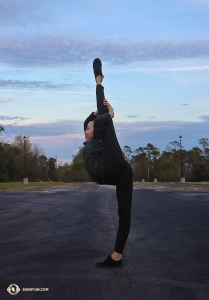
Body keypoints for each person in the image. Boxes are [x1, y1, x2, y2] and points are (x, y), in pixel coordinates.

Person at [83, 58, 133, 268]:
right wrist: (110, 113)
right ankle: (98, 78)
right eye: (89, 127)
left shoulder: (93, 136)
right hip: (106, 169)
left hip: (120, 171)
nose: (88, 127)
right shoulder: (94, 141)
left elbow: (88, 122)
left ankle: (116, 256)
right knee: (106, 116)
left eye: (89, 126)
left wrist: (97, 114)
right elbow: (101, 120)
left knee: (125, 212)